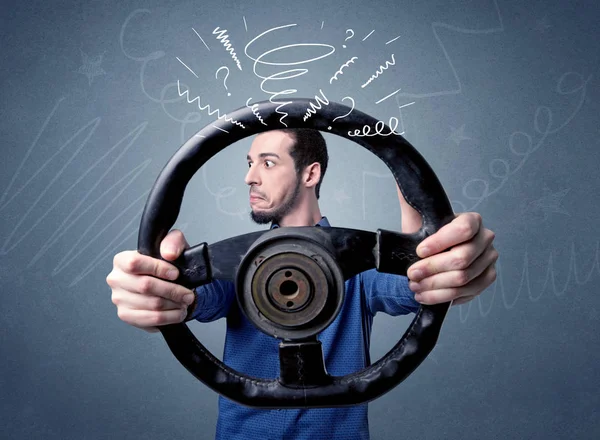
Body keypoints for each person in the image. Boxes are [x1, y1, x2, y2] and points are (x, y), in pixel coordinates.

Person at [107, 128, 498, 439]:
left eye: (268, 162)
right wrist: (160, 286)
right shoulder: (236, 269)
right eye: (249, 163)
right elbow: (197, 298)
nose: (249, 177)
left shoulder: (360, 269)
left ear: (310, 173)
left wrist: (442, 263)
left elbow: (415, 287)